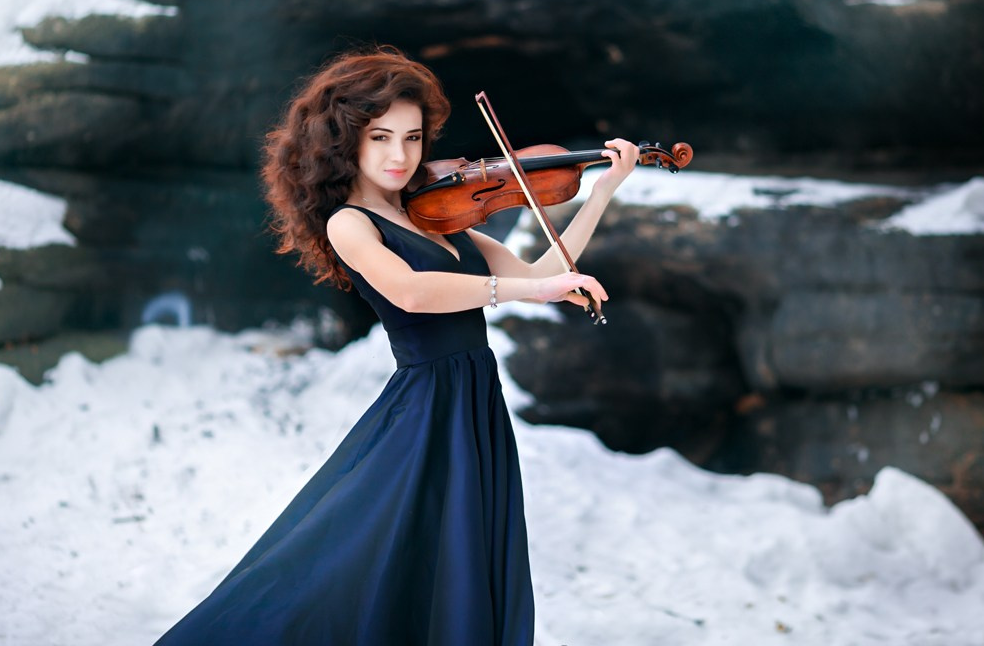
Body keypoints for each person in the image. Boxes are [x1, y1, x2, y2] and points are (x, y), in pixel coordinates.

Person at [154, 45, 638, 645]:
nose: (400, 156)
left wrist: (603, 190)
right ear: (346, 141)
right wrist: (526, 292)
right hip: (425, 406)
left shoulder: (437, 214)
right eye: (381, 137)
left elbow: (541, 268)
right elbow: (411, 292)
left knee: (454, 554)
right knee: (357, 560)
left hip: (474, 401)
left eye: (412, 138)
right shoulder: (350, 223)